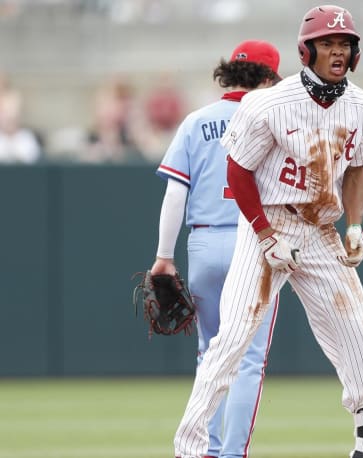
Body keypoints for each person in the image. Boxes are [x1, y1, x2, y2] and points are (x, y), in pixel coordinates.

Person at [174, 5, 363, 458]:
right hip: (268, 224)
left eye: (344, 44)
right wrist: (266, 234)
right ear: (306, 50)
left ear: (355, 54)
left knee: (358, 336)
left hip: (322, 229)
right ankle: (189, 449)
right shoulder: (268, 101)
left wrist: (355, 226)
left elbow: (357, 171)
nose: (336, 51)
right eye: (327, 44)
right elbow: (238, 172)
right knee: (230, 341)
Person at [151, 40, 282, 458]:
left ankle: (204, 449)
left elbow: (175, 195)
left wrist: (164, 256)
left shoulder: (196, 120)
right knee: (247, 360)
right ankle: (232, 453)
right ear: (267, 78)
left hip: (204, 241)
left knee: (211, 354)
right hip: (255, 243)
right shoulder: (276, 122)